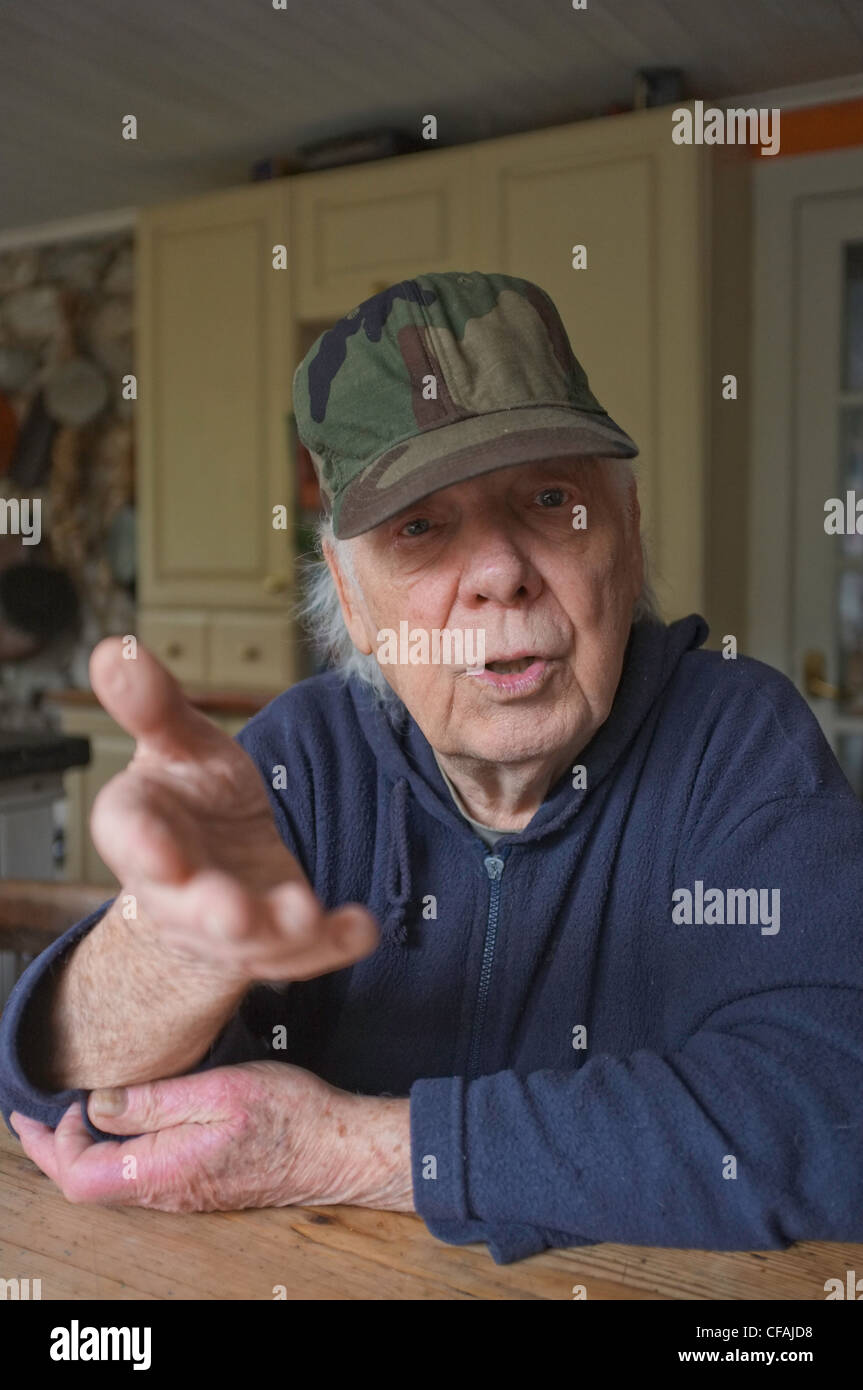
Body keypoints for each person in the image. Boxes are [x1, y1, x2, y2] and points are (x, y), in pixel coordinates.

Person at [2, 271, 862, 1266]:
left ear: (625, 535)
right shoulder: (300, 758)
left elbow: (831, 1105)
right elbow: (64, 1104)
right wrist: (166, 949)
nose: (499, 568)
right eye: (419, 526)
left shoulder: (736, 739)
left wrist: (355, 1149)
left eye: (550, 498)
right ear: (351, 599)